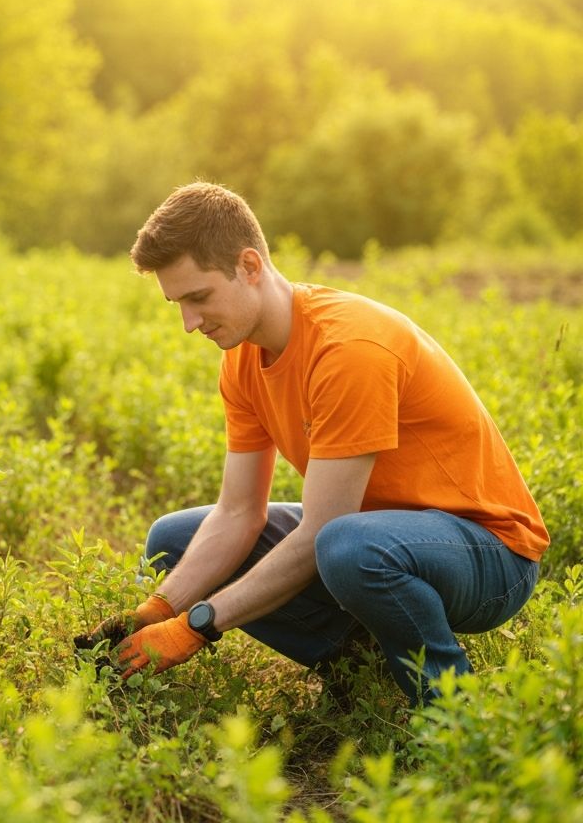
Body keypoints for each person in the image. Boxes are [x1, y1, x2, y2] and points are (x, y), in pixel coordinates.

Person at [92, 182, 549, 705]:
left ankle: (452, 708)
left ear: (249, 266)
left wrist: (198, 624)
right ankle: (363, 665)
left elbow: (321, 532)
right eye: (177, 303)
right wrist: (162, 608)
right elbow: (240, 512)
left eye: (199, 297)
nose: (189, 324)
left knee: (345, 546)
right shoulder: (243, 359)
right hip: (381, 537)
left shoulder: (348, 349)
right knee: (173, 540)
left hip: (488, 553)